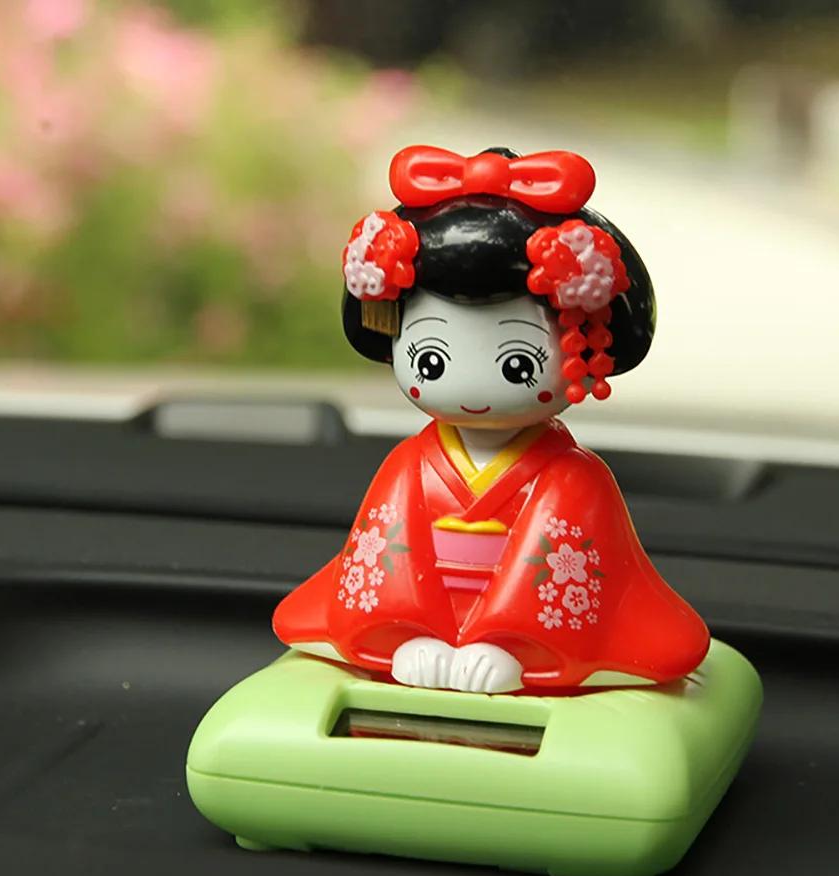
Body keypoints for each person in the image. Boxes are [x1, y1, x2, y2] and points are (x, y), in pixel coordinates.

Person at [273, 144, 709, 694]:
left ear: (586, 343)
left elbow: (566, 580)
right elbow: (384, 566)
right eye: (431, 360)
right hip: (416, 625)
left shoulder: (571, 478)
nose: (472, 389)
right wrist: (410, 636)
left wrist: (506, 645)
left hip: (525, 637)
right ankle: (416, 637)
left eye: (517, 364)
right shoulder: (410, 465)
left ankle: (507, 643)